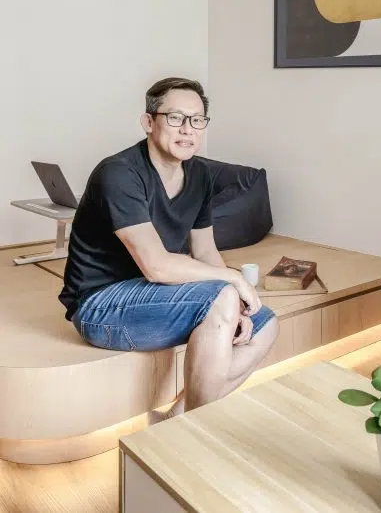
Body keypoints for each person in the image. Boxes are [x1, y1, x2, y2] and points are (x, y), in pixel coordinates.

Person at [58, 77, 278, 418]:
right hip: (100, 304)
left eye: (197, 120)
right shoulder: (118, 173)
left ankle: (177, 421)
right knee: (223, 295)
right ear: (149, 122)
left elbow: (205, 251)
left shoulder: (200, 175)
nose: (187, 129)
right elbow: (156, 266)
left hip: (158, 294)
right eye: (175, 118)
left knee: (265, 326)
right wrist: (234, 280)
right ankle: (197, 432)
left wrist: (238, 303)